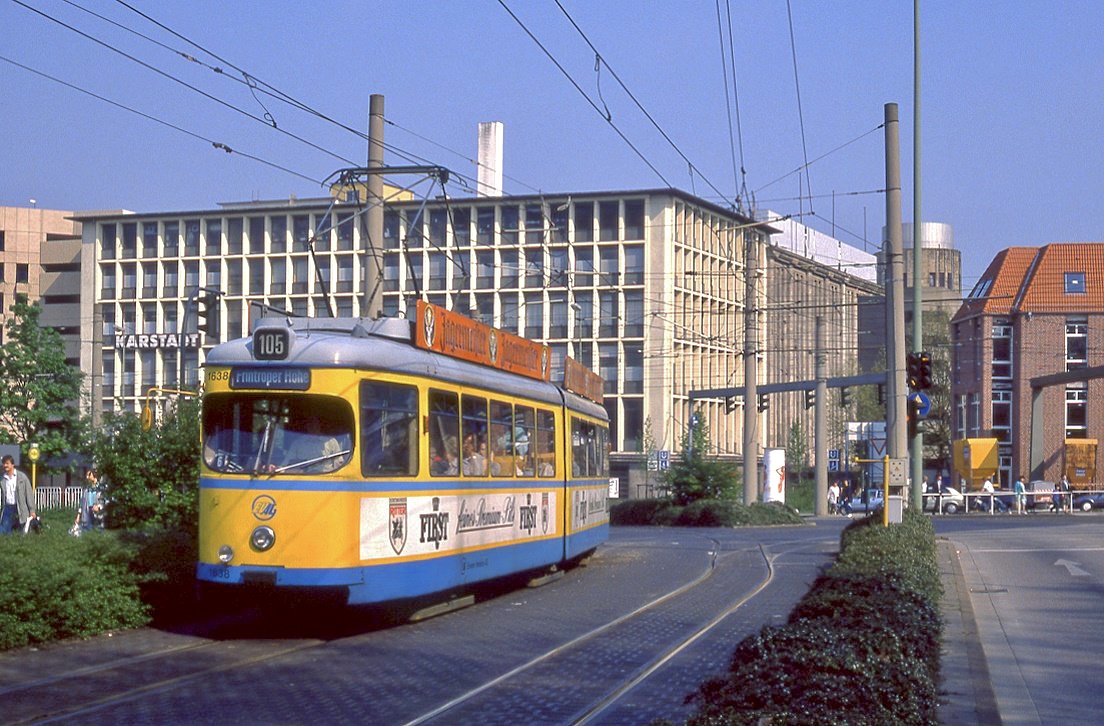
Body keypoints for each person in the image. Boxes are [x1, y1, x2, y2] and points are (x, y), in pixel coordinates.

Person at [0, 454, 35, 535]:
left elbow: (28, 494)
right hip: (8, 508)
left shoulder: (22, 477)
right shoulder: (2, 479)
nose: (5, 465)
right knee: (4, 531)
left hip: (20, 508)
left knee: (22, 531)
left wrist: (32, 510)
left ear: (12, 464)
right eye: (4, 463)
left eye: (7, 463)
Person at [72, 467, 106, 534]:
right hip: (87, 512)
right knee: (87, 532)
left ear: (94, 475)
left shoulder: (101, 488)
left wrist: (99, 507)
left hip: (98, 514)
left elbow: (105, 500)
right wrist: (78, 516)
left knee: (98, 531)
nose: (87, 477)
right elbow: (82, 503)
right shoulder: (87, 488)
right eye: (86, 475)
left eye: (89, 475)